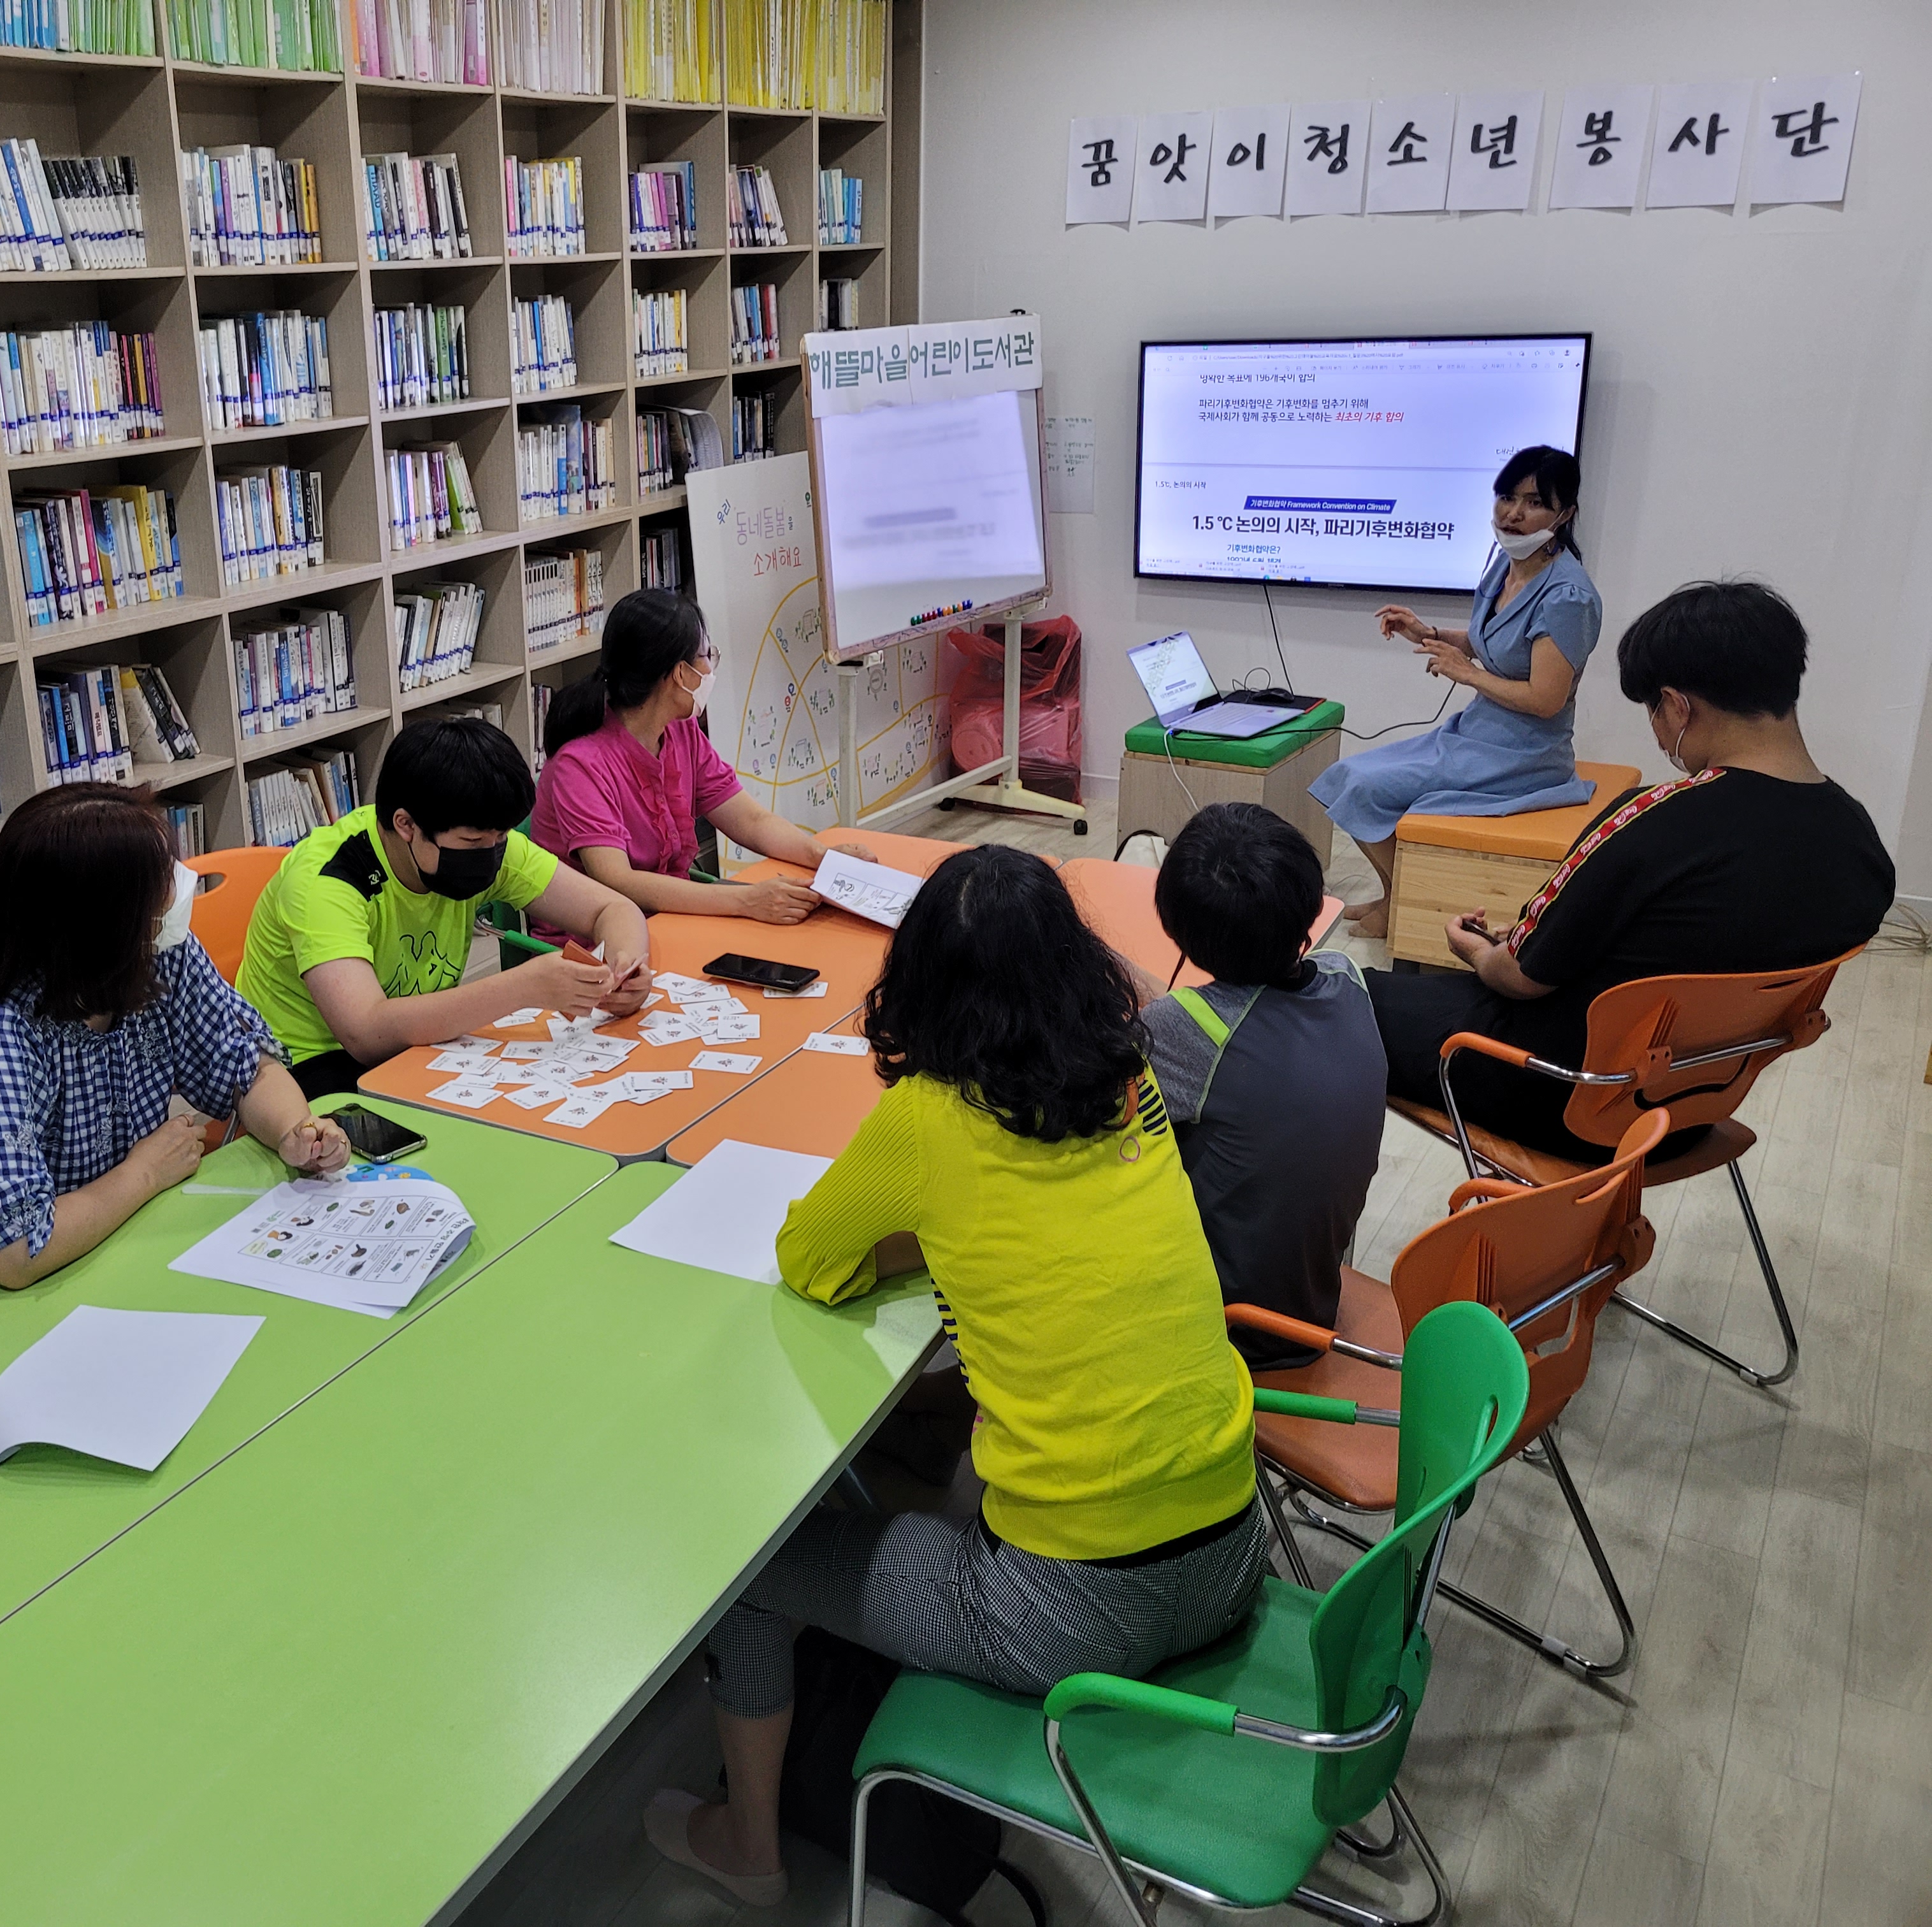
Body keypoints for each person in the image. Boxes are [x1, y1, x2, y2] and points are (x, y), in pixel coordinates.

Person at [644, 844, 1267, 1905]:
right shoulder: (1131, 1076)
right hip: (1232, 1550)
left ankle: (747, 1846)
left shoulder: (930, 1115)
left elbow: (811, 1260)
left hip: (1071, 1613)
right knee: (932, 1457)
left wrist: (924, 1234)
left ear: (922, 980)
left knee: (744, 1569)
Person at [1371, 579, 1894, 1160]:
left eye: (1653, 712)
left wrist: (1477, 950)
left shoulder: (1654, 820)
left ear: (1677, 706)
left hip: (1563, 1093)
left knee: (1331, 995)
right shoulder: (1862, 845)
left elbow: (1519, 976)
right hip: (1694, 1107)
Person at [0, 783, 348, 1301]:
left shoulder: (154, 947)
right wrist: (143, 1174)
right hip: (1, 1300)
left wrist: (296, 1132)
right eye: (155, 887)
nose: (175, 892)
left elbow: (245, 1064)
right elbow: (15, 1250)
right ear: (97, 927)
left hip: (125, 1239)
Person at [235, 716, 652, 1098]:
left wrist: (626, 968)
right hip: (303, 1068)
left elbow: (612, 910)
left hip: (417, 1043)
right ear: (406, 825)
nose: (492, 852)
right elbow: (366, 1034)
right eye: (473, 842)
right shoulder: (329, 881)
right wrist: (524, 988)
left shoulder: (482, 839)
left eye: (500, 837)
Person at [1312, 446, 1605, 938]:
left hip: (1525, 755)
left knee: (1366, 788)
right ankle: (1394, 895)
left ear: (1565, 514)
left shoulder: (1568, 598)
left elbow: (1546, 699)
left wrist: (1466, 674)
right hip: (1476, 732)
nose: (1513, 514)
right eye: (1507, 497)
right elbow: (1493, 640)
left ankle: (1402, 905)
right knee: (1347, 776)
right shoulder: (1505, 567)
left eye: (1534, 502)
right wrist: (1427, 633)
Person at [1142, 804, 1385, 1369]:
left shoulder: (1188, 1030)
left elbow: (1103, 1070)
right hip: (1313, 1299)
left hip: (1229, 1331)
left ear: (1179, 933)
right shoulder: (1346, 980)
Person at [530, 589, 861, 931]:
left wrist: (824, 858)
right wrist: (747, 901)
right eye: (707, 655)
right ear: (680, 673)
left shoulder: (681, 732)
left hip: (670, 919)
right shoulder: (580, 764)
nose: (711, 667)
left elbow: (750, 820)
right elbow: (617, 880)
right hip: (602, 939)